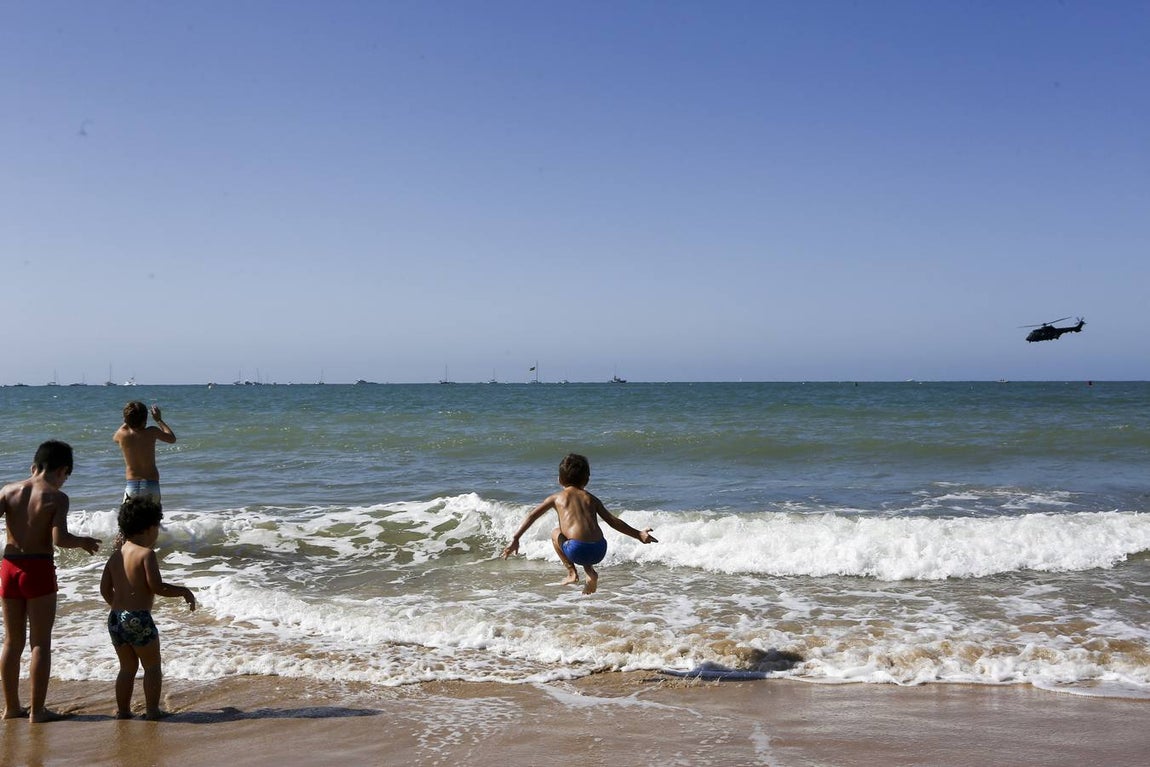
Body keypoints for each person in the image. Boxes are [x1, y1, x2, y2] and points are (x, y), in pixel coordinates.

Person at [1, 440, 101, 722]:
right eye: (66, 476)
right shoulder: (57, 498)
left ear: (35, 466)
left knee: (11, 641)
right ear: (62, 470)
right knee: (40, 644)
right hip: (38, 569)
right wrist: (82, 542)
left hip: (9, 567)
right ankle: (37, 711)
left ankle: (10, 708)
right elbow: (59, 539)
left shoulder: (8, 491)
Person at [501, 453, 657, 595]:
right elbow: (612, 521)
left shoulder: (556, 498)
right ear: (587, 479)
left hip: (577, 550)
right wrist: (638, 534)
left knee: (556, 533)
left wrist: (516, 538)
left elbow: (532, 515)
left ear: (559, 479)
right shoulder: (592, 499)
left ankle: (572, 573)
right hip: (600, 548)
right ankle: (590, 573)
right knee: (585, 540)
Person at [100, 497, 195, 720]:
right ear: (149, 528)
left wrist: (119, 610)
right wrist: (183, 591)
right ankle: (152, 710)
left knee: (127, 668)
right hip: (139, 619)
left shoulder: (115, 556)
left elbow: (104, 589)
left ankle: (123, 711)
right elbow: (156, 586)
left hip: (115, 618)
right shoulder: (146, 554)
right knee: (152, 666)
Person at [113, 401, 176, 503]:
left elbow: (115, 438)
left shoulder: (122, 435)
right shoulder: (152, 431)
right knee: (152, 518)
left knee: (130, 518)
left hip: (132, 486)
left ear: (126, 419)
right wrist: (159, 420)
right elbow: (172, 439)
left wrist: (128, 420)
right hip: (151, 485)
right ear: (145, 419)